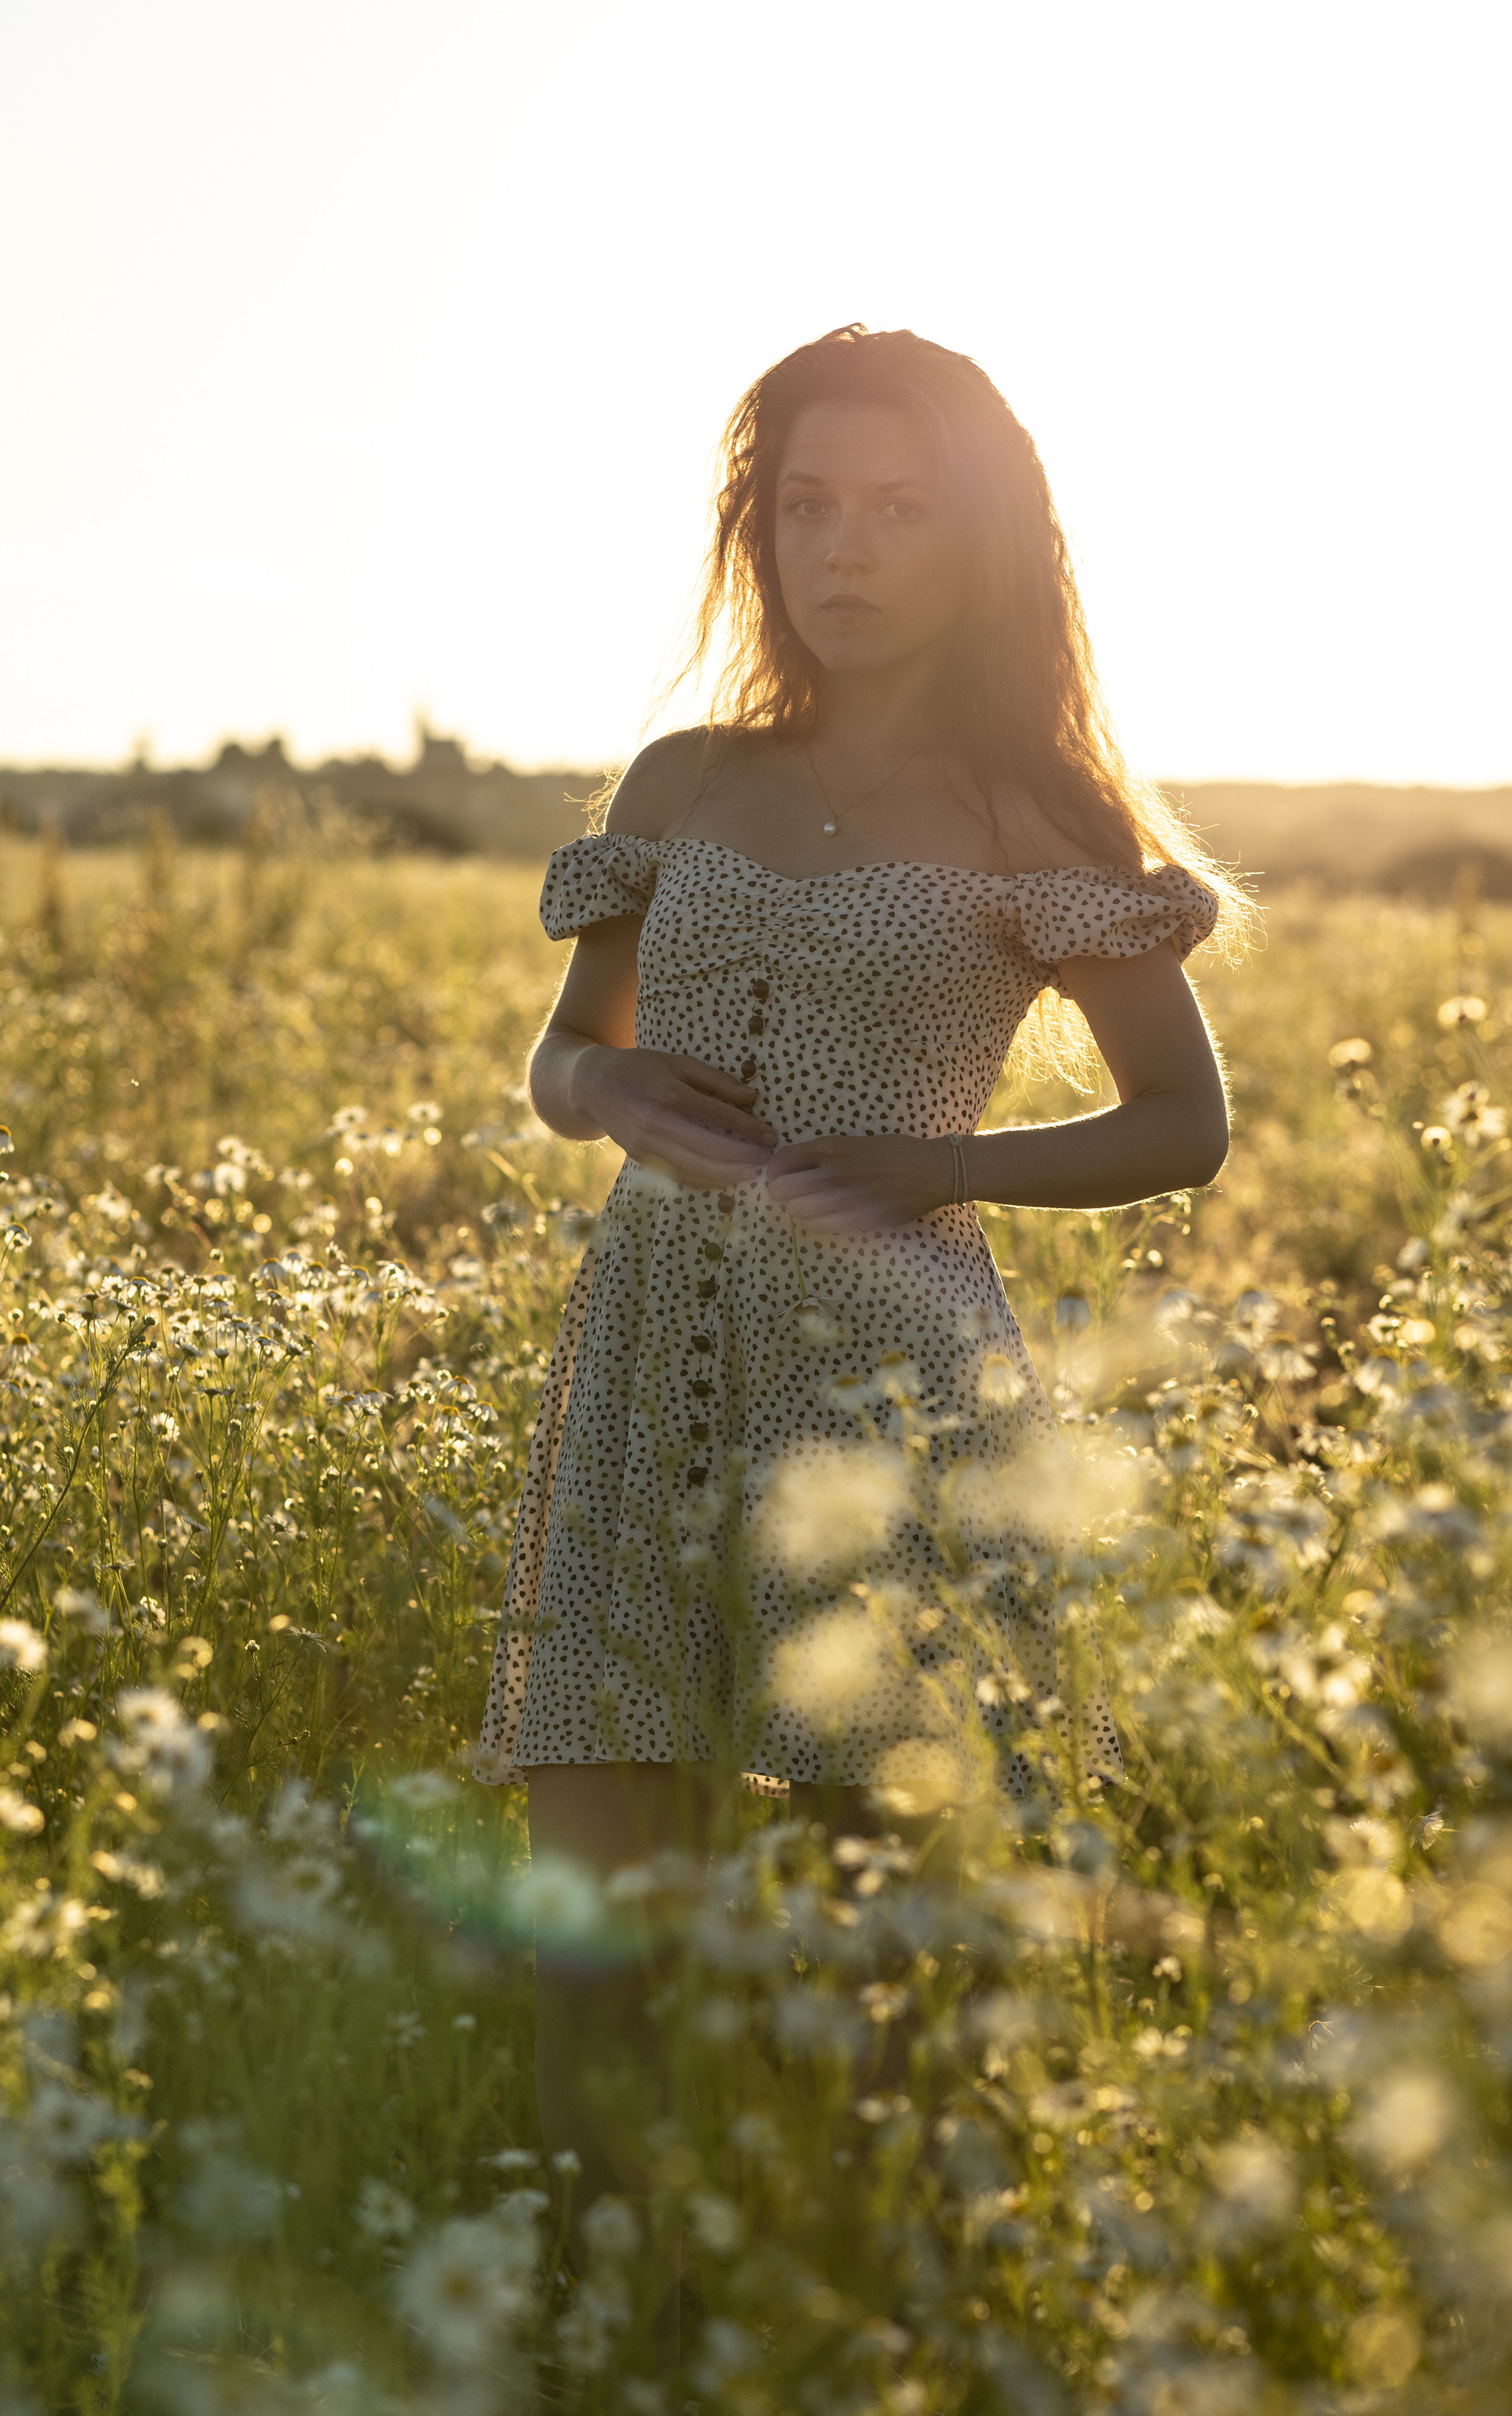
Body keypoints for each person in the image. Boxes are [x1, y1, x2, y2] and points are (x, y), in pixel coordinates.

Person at [475, 324, 1246, 2239]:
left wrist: (936, 1166)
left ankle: (866, 2297)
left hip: (888, 1380)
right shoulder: (682, 774)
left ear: (981, 538)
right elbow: (562, 1063)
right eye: (807, 504)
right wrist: (610, 1087)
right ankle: (604, 2303)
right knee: (594, 1894)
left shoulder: (1033, 812)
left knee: (864, 1920)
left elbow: (1180, 1122)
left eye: (901, 509)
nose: (848, 549)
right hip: (646, 1352)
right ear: (761, 529)